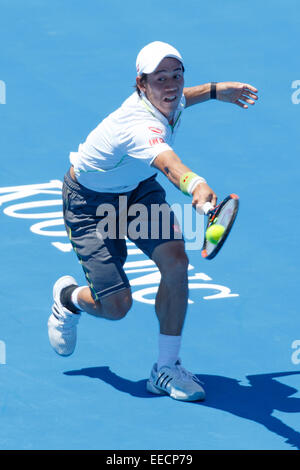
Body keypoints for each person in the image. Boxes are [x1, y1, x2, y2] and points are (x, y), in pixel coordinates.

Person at [48, 41, 258, 402]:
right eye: (160, 78)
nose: (171, 85)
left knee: (177, 264)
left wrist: (214, 91)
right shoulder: (139, 126)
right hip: (89, 204)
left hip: (136, 193)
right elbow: (169, 164)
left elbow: (181, 98)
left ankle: (165, 368)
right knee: (116, 308)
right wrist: (195, 183)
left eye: (177, 75)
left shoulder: (168, 97)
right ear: (141, 84)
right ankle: (68, 299)